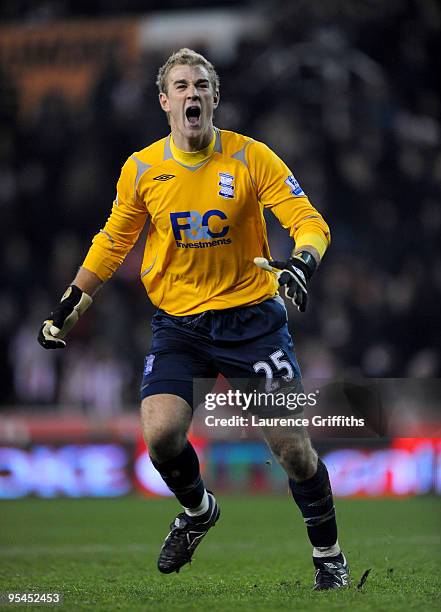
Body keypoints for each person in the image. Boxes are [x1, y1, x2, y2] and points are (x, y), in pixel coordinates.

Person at [38, 48, 349, 590]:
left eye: (201, 85)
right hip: (179, 326)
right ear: (165, 101)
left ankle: (329, 557)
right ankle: (200, 509)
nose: (192, 94)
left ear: (215, 97)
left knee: (294, 451)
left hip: (252, 321)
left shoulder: (252, 158)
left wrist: (302, 262)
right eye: (181, 86)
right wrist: (72, 301)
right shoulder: (141, 169)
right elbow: (113, 242)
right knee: (160, 435)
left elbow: (308, 220)